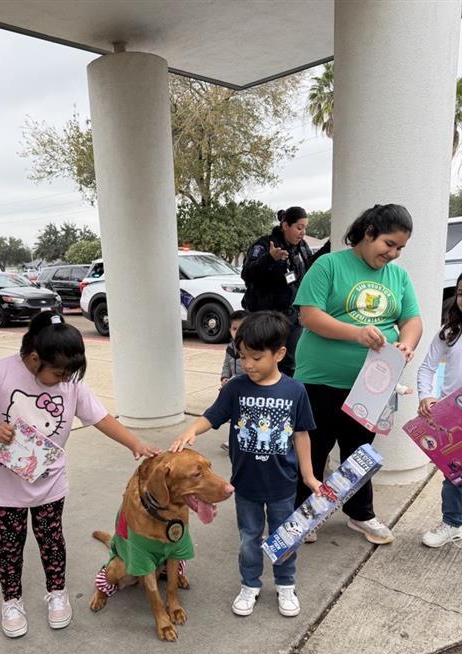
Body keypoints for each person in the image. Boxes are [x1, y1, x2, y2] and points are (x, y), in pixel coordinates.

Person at [0, 310, 159, 638]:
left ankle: (57, 593)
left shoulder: (70, 382)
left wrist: (134, 442)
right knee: (9, 545)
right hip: (5, 483)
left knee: (51, 540)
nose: (64, 379)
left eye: (70, 373)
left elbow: (100, 417)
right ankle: (12, 601)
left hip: (48, 481)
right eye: (58, 372)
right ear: (35, 357)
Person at [170, 311, 322, 618]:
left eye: (256, 357)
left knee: (284, 536)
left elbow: (302, 434)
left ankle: (285, 584)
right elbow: (212, 416)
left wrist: (308, 476)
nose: (248, 364)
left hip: (283, 484)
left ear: (279, 353)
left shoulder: (295, 390)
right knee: (249, 537)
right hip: (245, 485)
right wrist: (191, 429)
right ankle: (250, 584)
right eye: (243, 357)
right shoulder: (236, 388)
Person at [294, 204, 423, 545]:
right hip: (320, 380)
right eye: (388, 244)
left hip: (373, 383)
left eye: (399, 248)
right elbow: (309, 316)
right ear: (368, 233)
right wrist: (356, 333)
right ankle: (306, 512)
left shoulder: (398, 277)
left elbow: (412, 320)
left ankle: (360, 513)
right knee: (315, 447)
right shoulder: (329, 265)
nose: (393, 254)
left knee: (359, 451)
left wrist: (406, 345)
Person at [417, 273, 462, 548]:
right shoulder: (450, 331)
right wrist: (426, 396)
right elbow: (427, 367)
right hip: (452, 418)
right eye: (460, 292)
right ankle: (453, 523)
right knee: (454, 475)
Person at [241, 207, 313, 376]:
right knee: (264, 361)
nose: (303, 232)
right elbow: (247, 274)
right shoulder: (265, 245)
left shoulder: (302, 247)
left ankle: (284, 396)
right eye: (299, 228)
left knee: (290, 363)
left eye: (305, 228)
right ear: (285, 225)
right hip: (266, 318)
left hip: (292, 317)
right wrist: (270, 259)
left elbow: (310, 270)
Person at [220, 310, 248, 451]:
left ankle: (246, 438)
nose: (237, 332)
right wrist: (225, 378)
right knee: (234, 415)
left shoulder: (251, 347)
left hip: (247, 387)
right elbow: (226, 364)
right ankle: (233, 440)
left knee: (246, 417)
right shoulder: (230, 348)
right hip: (233, 387)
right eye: (234, 329)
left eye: (241, 328)